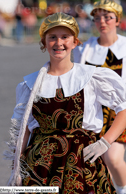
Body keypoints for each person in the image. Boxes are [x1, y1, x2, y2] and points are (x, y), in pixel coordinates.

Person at [5, 12, 126, 194]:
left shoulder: (92, 77)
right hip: (40, 166)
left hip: (83, 164)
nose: (59, 42)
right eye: (52, 37)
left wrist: (106, 142)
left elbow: (123, 108)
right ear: (44, 43)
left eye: (65, 37)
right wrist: (17, 165)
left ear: (75, 42)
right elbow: (25, 128)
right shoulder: (29, 84)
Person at [73, 0, 126, 193]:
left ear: (117, 20)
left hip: (120, 112)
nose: (102, 21)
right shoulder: (84, 49)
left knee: (112, 158)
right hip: (93, 112)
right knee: (97, 164)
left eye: (107, 17)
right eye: (97, 18)